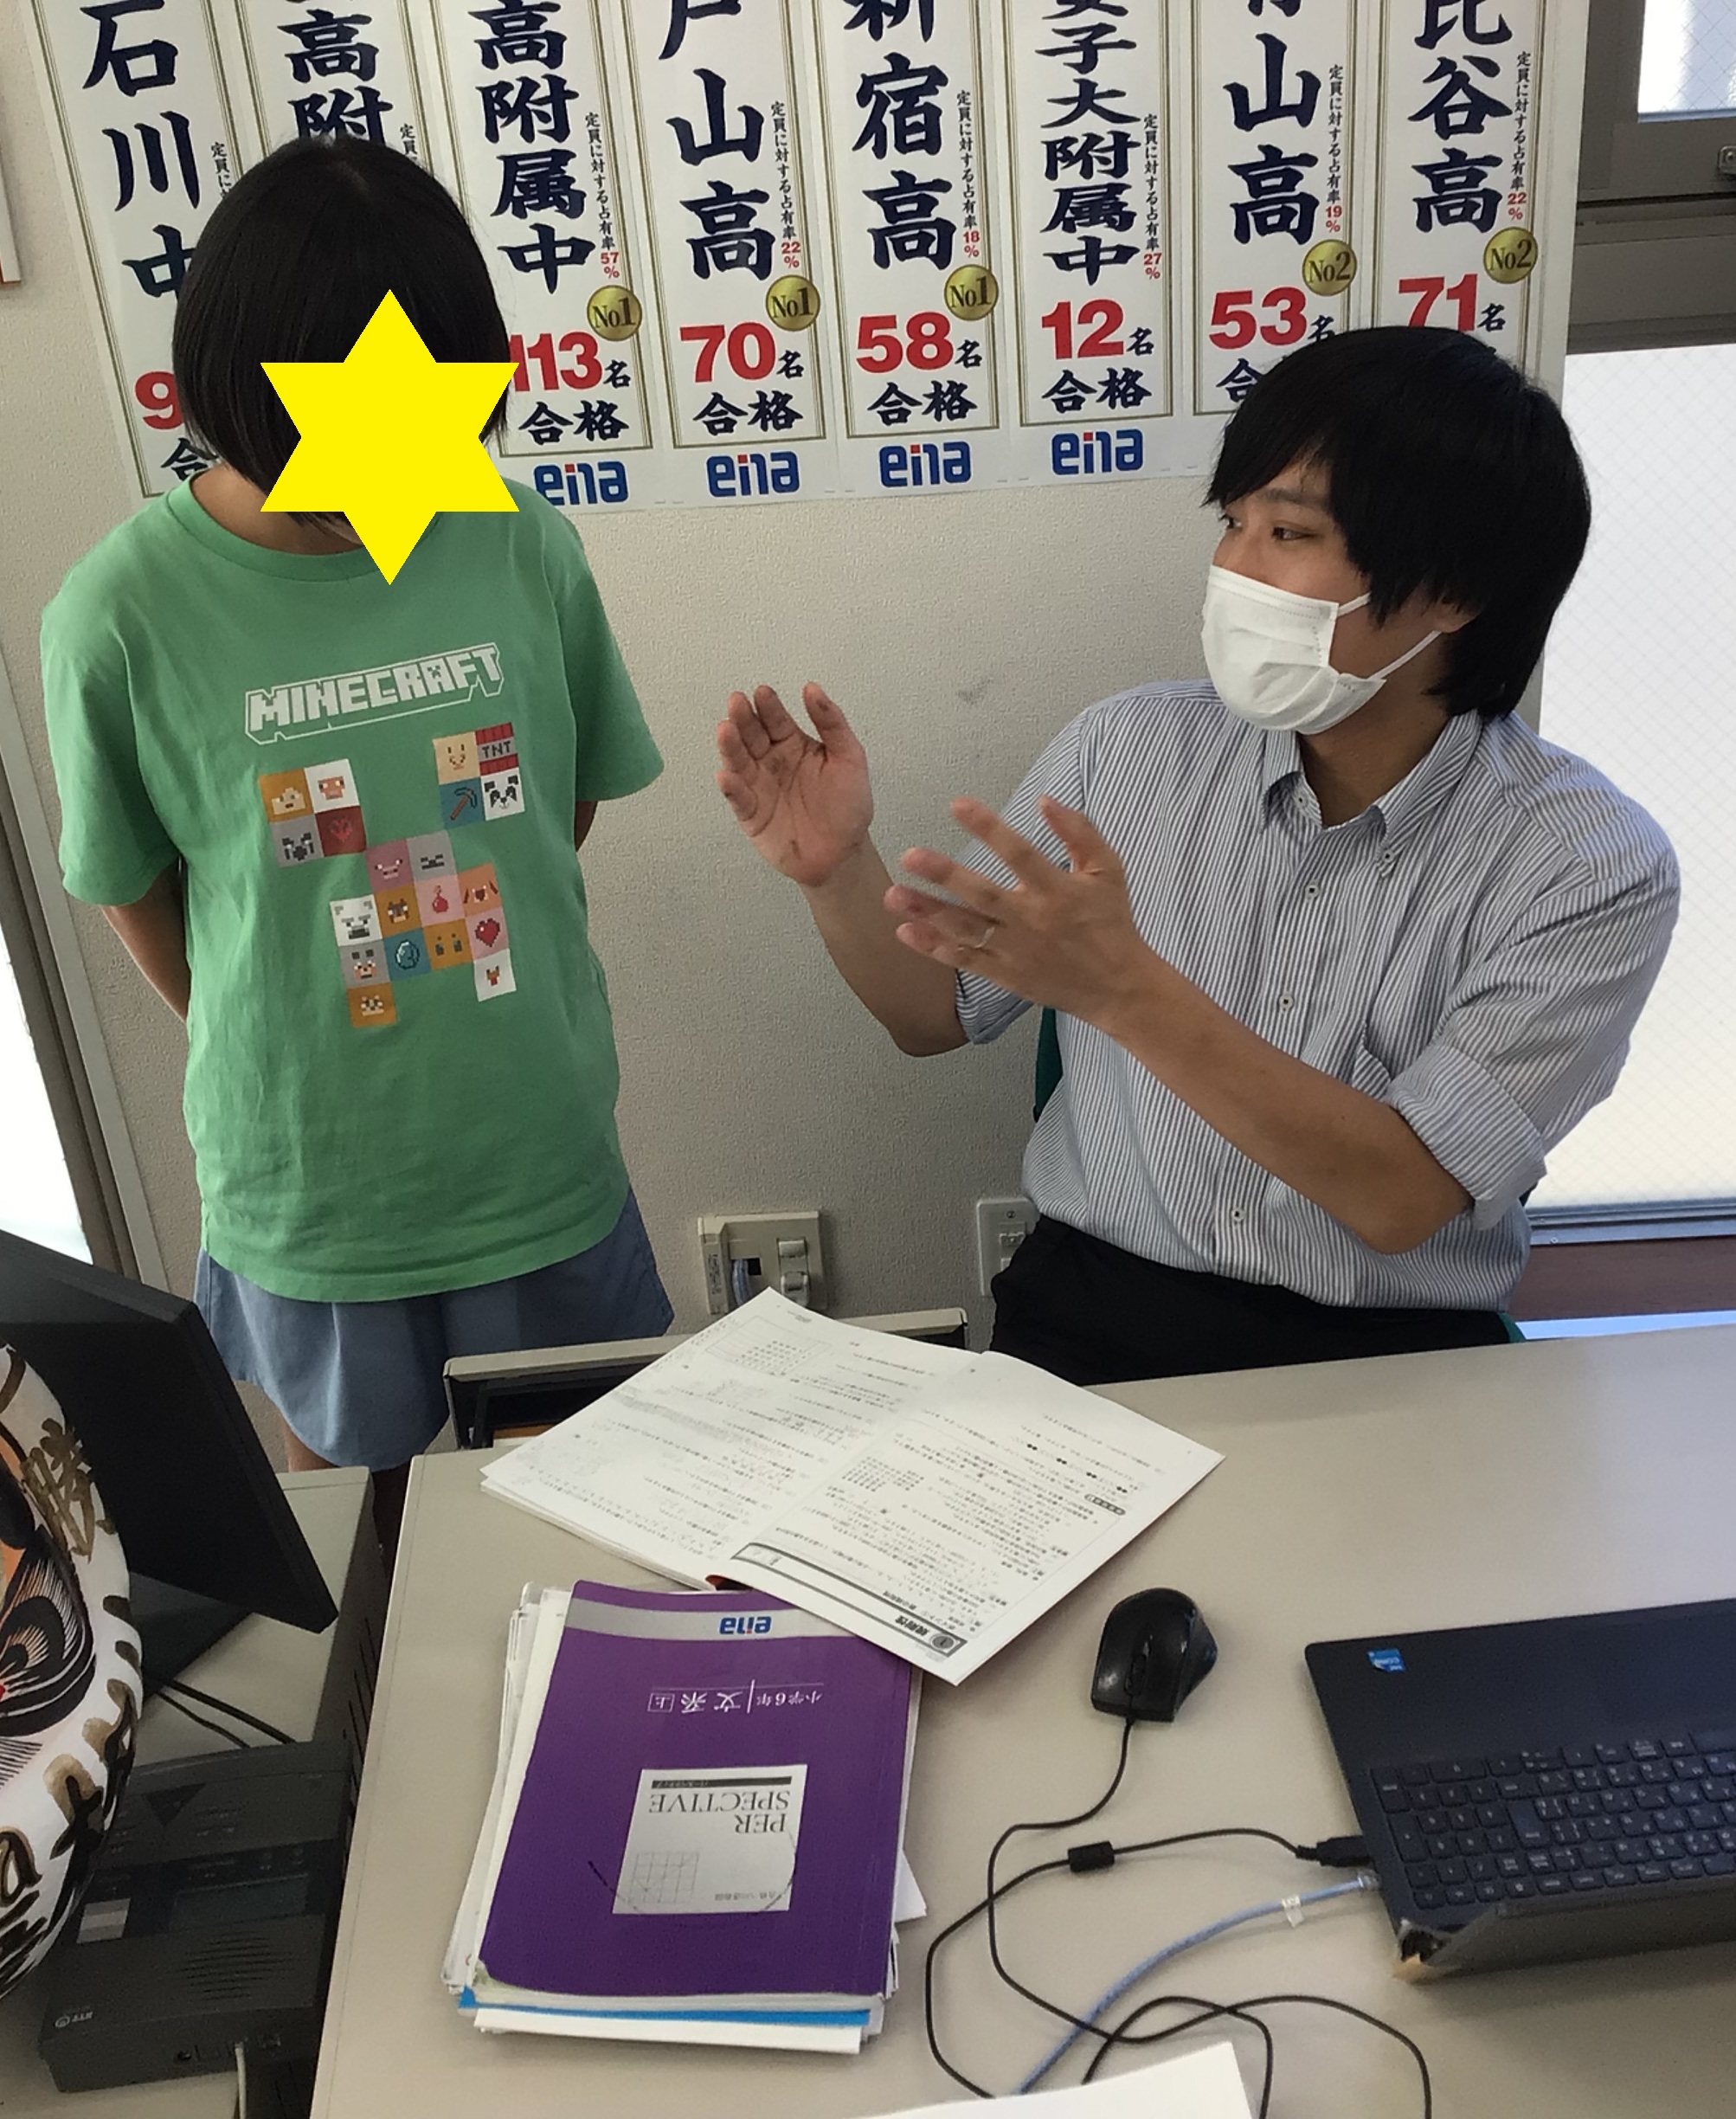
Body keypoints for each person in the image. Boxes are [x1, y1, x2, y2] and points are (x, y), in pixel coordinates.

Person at [717, 327, 1679, 1387]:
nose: (1232, 566)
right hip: (1088, 1307)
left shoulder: (1588, 865)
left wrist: (1123, 993)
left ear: (1454, 587)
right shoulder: (1126, 748)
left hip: (1388, 1348)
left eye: (1287, 531)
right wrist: (834, 869)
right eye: (1232, 523)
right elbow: (931, 1015)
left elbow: (1401, 1198)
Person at [42, 138, 671, 1543]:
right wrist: (282, 1016)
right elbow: (138, 891)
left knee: (580, 1522)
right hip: (310, 1190)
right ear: (229, 390)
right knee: (368, 1549)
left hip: (535, 1156)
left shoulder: (518, 542)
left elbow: (552, 811)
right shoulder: (119, 611)